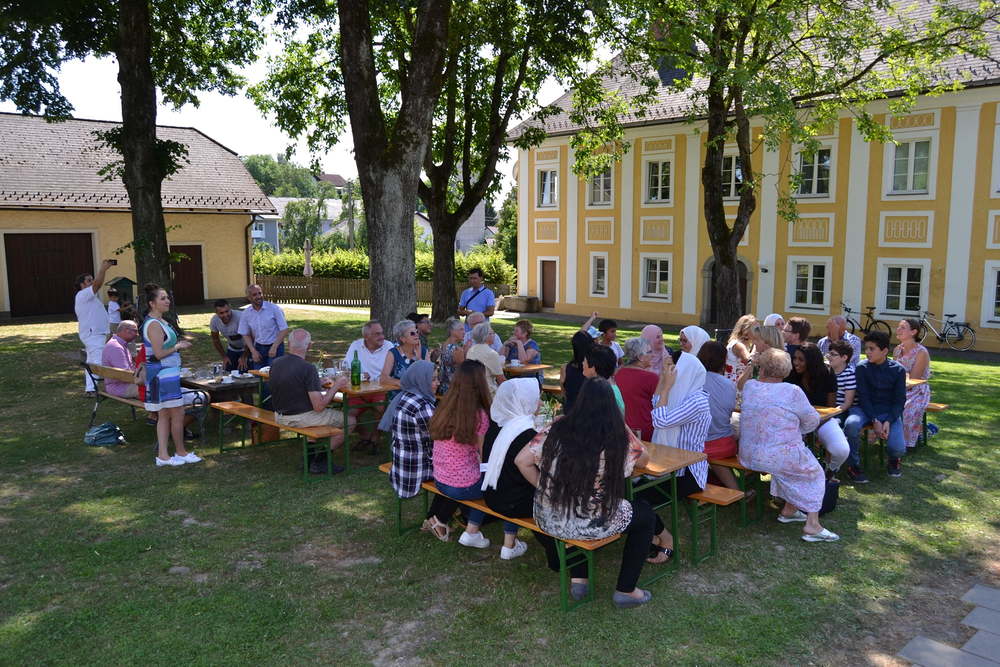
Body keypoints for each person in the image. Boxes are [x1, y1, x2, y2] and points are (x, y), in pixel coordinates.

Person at [515, 378, 673, 608]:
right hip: (589, 522)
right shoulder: (615, 436)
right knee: (645, 515)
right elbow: (644, 459)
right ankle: (626, 590)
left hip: (548, 519)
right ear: (612, 406)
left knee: (584, 508)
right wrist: (624, 426)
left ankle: (579, 580)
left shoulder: (556, 427)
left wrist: (545, 487)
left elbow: (521, 461)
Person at [426, 361, 526, 556]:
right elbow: (485, 456)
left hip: (440, 479)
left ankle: (472, 531)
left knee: (488, 483)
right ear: (480, 383)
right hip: (462, 485)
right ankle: (509, 542)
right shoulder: (479, 415)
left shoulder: (445, 406)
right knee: (510, 484)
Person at [739, 348, 838, 542]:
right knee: (815, 473)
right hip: (775, 455)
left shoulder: (750, 386)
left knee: (788, 465)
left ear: (762, 368)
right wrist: (795, 429)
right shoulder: (792, 391)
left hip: (748, 453)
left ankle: (789, 510)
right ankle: (812, 525)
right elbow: (812, 421)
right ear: (786, 370)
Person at [269, 329, 351, 475]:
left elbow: (292, 384)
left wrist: (316, 382)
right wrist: (337, 386)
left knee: (314, 422)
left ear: (289, 344)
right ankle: (321, 461)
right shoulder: (307, 368)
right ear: (309, 346)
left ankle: (309, 459)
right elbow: (319, 407)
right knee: (350, 420)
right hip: (299, 418)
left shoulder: (276, 363)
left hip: (279, 415)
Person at [141, 284, 202, 467]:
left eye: (167, 297)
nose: (167, 301)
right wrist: (177, 346)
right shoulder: (153, 324)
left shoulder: (160, 321)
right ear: (152, 303)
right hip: (163, 375)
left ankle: (164, 456)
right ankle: (180, 452)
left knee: (165, 415)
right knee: (177, 413)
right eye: (162, 298)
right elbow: (158, 353)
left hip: (164, 374)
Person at [481, 379, 542, 559]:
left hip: (492, 495)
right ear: (524, 402)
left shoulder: (498, 427)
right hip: (515, 503)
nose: (539, 402)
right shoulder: (528, 434)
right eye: (536, 398)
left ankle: (511, 542)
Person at [842, 331, 907, 483]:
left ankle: (894, 459)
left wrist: (888, 420)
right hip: (864, 410)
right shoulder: (862, 367)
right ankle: (853, 466)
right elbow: (863, 397)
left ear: (884, 351)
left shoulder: (898, 370)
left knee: (898, 449)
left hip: (888, 411)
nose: (867, 352)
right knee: (851, 424)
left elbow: (899, 401)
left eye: (872, 349)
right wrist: (875, 420)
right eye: (866, 348)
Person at [650, 351, 710, 499]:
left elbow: (660, 421)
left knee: (638, 493)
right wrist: (663, 378)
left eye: (672, 369)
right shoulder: (680, 391)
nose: (670, 373)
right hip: (670, 462)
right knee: (632, 487)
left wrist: (666, 388)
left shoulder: (697, 401)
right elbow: (656, 403)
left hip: (687, 472)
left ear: (684, 371)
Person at [788, 343, 850, 478]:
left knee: (841, 450)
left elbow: (830, 408)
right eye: (794, 358)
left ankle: (829, 470)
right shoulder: (790, 373)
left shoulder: (827, 373)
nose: (796, 362)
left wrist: (815, 430)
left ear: (812, 361)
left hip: (822, 420)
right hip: (795, 422)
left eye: (801, 359)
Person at [386, 361, 439, 498]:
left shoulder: (405, 396)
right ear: (421, 380)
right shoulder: (423, 406)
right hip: (417, 470)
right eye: (433, 379)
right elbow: (440, 437)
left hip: (401, 465)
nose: (438, 383)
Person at [697, 341, 741, 491]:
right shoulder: (729, 385)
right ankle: (736, 487)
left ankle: (735, 490)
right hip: (726, 442)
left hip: (700, 444)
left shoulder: (693, 380)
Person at [75, 259, 116, 396]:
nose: (92, 282)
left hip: (95, 334)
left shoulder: (90, 298)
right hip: (93, 335)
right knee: (98, 361)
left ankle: (90, 389)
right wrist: (103, 269)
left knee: (92, 361)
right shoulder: (82, 295)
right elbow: (98, 284)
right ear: (82, 285)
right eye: (89, 280)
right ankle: (101, 387)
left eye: (92, 279)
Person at [893, 318, 931, 450]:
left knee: (906, 408)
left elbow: (914, 379)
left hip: (917, 390)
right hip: (899, 387)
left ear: (913, 332)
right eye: (898, 326)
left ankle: (907, 442)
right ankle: (889, 436)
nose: (898, 329)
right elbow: (894, 372)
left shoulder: (921, 352)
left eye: (903, 327)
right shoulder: (897, 349)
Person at [615, 337, 659, 441]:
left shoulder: (617, 374)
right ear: (640, 357)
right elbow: (661, 406)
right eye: (649, 352)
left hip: (620, 428)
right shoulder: (651, 378)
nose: (653, 355)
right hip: (645, 431)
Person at [239, 284, 289, 370]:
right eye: (254, 295)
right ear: (249, 298)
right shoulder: (246, 313)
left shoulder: (274, 308)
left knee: (274, 374)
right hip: (258, 348)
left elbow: (284, 329)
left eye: (260, 293)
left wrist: (274, 347)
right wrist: (253, 351)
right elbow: (245, 334)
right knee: (258, 374)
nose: (258, 296)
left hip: (275, 346)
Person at [383, 319, 430, 395]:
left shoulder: (423, 351)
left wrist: (419, 359)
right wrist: (404, 384)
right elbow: (384, 378)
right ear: (402, 339)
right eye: (412, 333)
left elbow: (430, 376)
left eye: (417, 332)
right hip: (399, 396)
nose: (416, 335)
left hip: (420, 395)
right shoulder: (393, 353)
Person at [101, 320, 141, 398]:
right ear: (126, 330)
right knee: (156, 388)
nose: (137, 334)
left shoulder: (117, 343)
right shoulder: (116, 348)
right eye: (135, 331)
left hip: (120, 385)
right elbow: (126, 374)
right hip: (120, 387)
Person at [465, 322, 505, 398]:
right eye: (492, 333)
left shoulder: (471, 350)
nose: (494, 335)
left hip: (473, 391)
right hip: (488, 393)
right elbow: (501, 379)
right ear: (486, 336)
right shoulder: (491, 353)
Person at [209, 299, 249, 372]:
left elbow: (251, 338)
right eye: (221, 313)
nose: (225, 315)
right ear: (216, 313)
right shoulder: (214, 321)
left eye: (227, 311)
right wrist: (224, 357)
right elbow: (215, 340)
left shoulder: (241, 317)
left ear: (230, 308)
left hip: (247, 349)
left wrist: (244, 356)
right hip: (232, 348)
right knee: (228, 370)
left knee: (244, 371)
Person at [559, 331, 593, 412]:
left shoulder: (565, 368)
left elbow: (563, 394)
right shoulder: (593, 370)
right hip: (588, 413)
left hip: (569, 411)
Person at [583, 345, 623, 411]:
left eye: (584, 361)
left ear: (593, 368)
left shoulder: (602, 394)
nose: (582, 363)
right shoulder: (604, 387)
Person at [437, 317, 467, 395]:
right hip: (454, 389)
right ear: (452, 331)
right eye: (461, 329)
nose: (464, 332)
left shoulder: (443, 345)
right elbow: (463, 370)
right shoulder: (456, 349)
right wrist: (466, 351)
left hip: (442, 387)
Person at [827, 340, 857, 412]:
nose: (829, 356)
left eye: (833, 354)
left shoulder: (849, 374)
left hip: (843, 410)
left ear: (844, 358)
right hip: (829, 408)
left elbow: (847, 403)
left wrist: (832, 413)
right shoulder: (827, 371)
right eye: (829, 353)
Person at [725, 315, 756, 383]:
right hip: (733, 384)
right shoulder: (738, 345)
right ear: (746, 331)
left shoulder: (746, 345)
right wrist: (756, 344)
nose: (758, 331)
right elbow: (749, 361)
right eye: (755, 329)